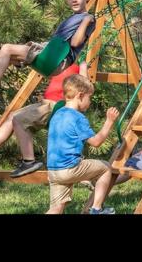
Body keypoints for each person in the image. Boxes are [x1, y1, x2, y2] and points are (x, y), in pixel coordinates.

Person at [0, 62, 84, 178]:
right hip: (45, 104)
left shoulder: (80, 62)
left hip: (55, 105)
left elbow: (85, 86)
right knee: (12, 117)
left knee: (18, 120)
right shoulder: (62, 61)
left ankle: (29, 161)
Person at [45, 73, 119, 214]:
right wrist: (109, 122)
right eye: (89, 97)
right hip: (69, 168)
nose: (90, 102)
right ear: (80, 96)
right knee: (106, 168)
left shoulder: (58, 113)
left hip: (53, 170)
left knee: (56, 208)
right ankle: (96, 209)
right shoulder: (78, 117)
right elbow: (96, 142)